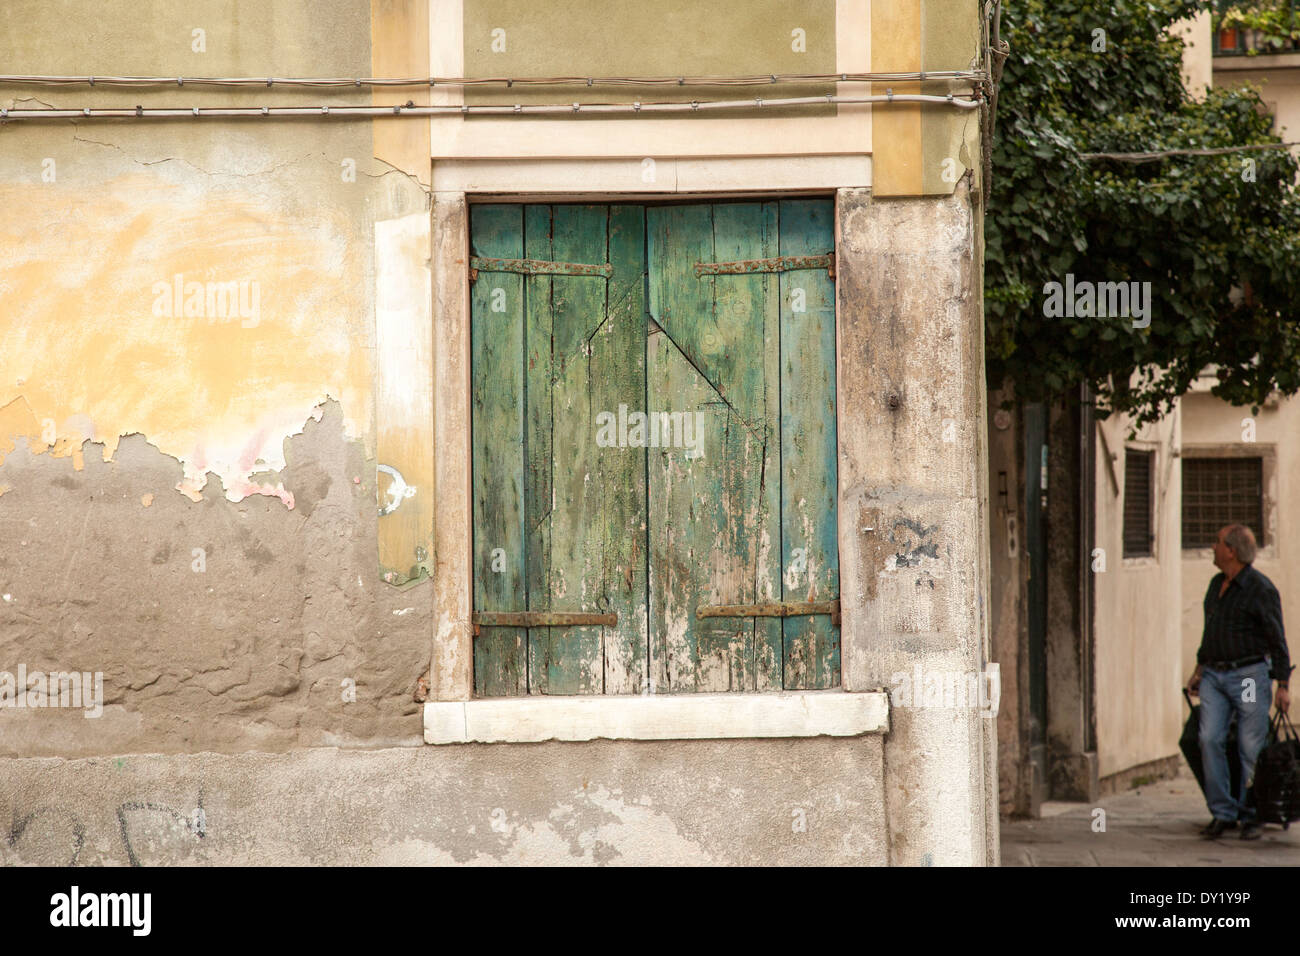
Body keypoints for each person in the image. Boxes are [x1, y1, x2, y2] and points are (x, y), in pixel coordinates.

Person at [1187, 524, 1291, 840]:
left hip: (1247, 675)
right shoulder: (1216, 584)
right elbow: (1211, 631)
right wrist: (1199, 667)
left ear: (1231, 551)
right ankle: (1222, 812)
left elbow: (1277, 639)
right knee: (1209, 739)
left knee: (1250, 746)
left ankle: (1252, 812)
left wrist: (1283, 684)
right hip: (1215, 676)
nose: (1213, 547)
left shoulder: (1261, 589)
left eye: (1218, 543)